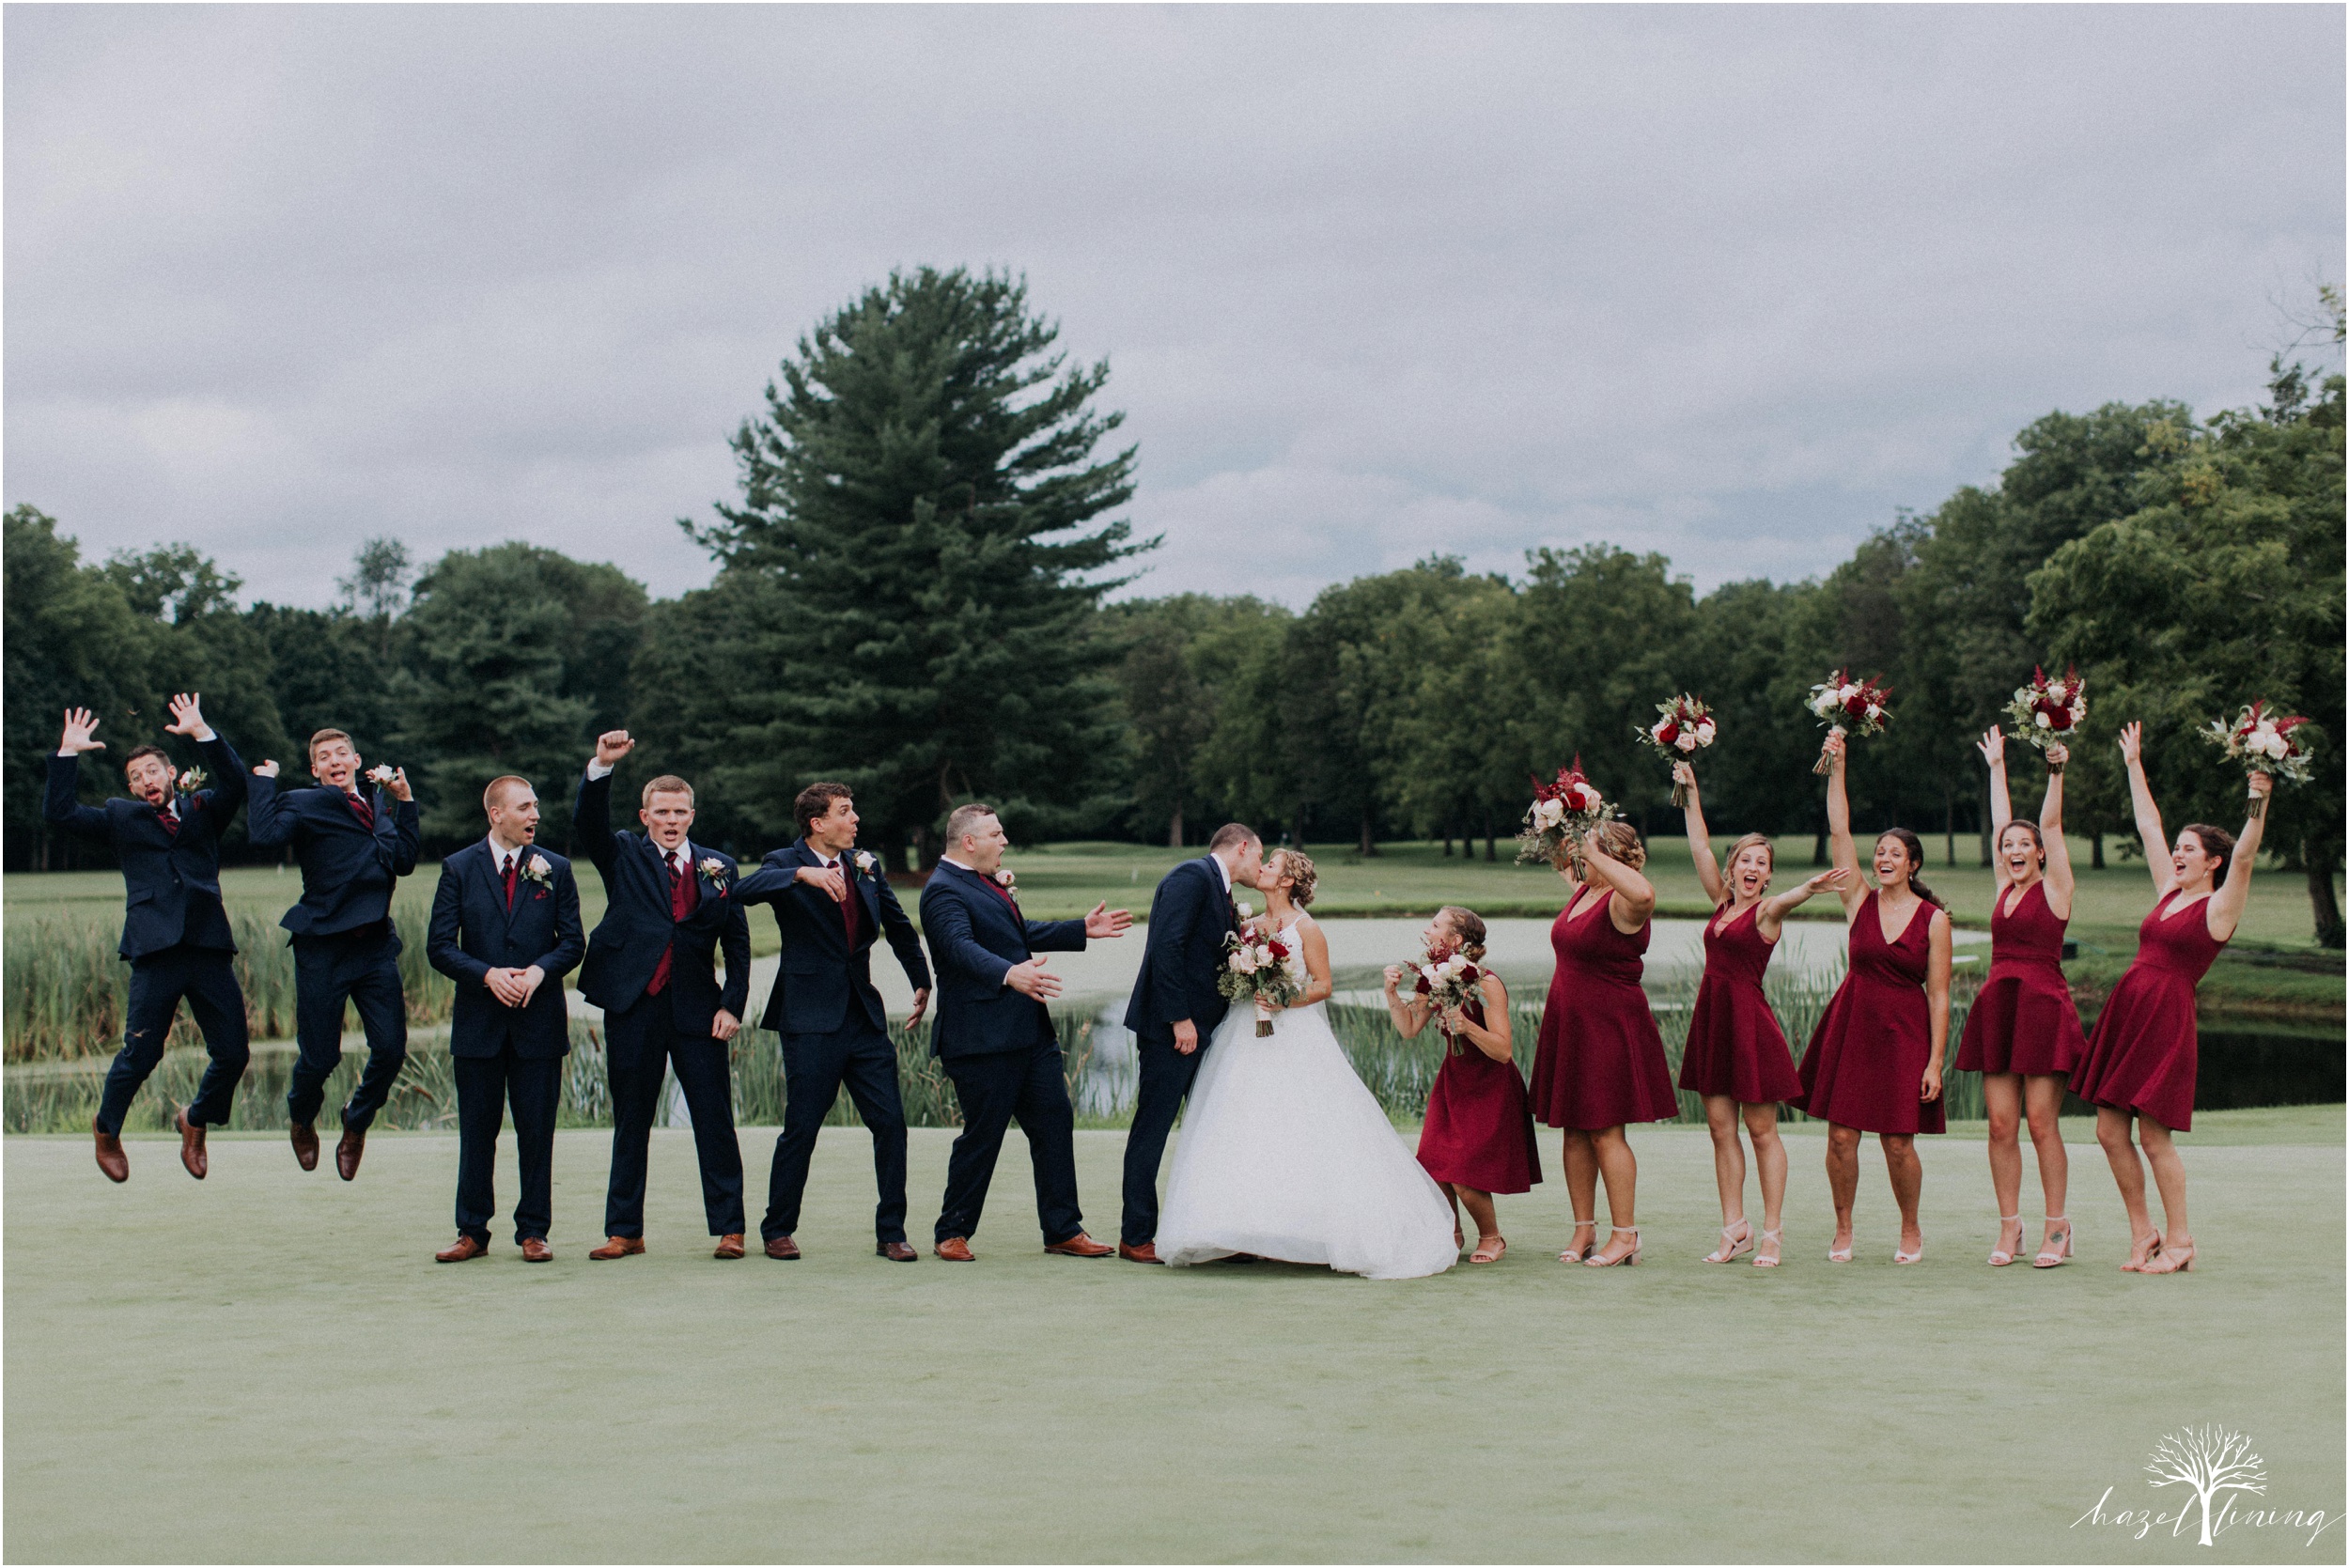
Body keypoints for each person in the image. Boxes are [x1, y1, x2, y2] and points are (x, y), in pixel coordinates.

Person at [1158, 851, 1458, 1280]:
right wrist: (1248, 984)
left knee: (1301, 1125)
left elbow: (1323, 985)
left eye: (1270, 866)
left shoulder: (1307, 929)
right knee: (1244, 1125)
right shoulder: (1246, 928)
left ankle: (1306, 1231)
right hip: (1244, 1035)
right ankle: (1244, 1230)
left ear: (1285, 882)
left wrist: (1283, 999)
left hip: (1294, 1035)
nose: (1261, 869)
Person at [2069, 722, 2271, 1276]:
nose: (2177, 855)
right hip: (2129, 1009)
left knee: (2154, 1137)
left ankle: (2181, 1241)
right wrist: (2134, 764)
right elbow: (2147, 823)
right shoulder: (2167, 892)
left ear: (2212, 862)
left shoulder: (2219, 909)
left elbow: (2247, 857)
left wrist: (2258, 798)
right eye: (2177, 849)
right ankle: (2144, 1234)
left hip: (2166, 1018)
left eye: (2189, 850)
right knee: (2109, 1130)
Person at [45, 696, 251, 1182]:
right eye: (135, 777)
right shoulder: (121, 818)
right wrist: (67, 755)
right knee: (142, 1050)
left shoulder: (202, 809)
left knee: (234, 1053)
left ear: (171, 772)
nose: (144, 782)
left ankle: (195, 1120)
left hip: (206, 947)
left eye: (151, 771)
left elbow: (237, 783)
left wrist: (203, 731)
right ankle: (106, 1128)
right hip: (154, 950)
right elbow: (60, 814)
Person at [734, 783, 933, 1263]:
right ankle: (777, 1228)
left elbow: (898, 924)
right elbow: (742, 890)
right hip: (807, 1018)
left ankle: (892, 1233)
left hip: (863, 1018)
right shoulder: (783, 861)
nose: (856, 819)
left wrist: (921, 980)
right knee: (801, 1127)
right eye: (845, 812)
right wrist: (801, 874)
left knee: (891, 1125)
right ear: (817, 823)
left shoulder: (865, 865)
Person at [923, 803, 1130, 1261]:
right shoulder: (941, 891)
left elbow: (1014, 932)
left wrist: (1081, 929)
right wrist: (1009, 974)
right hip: (980, 1038)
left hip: (1029, 1034)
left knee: (1055, 1123)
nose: (1005, 841)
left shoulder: (984, 884)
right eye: (996, 834)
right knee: (984, 1134)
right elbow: (959, 947)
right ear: (969, 842)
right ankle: (951, 1231)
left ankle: (1062, 1229)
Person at [573, 732, 753, 1260]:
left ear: (692, 815)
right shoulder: (624, 852)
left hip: (700, 1008)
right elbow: (588, 824)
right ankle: (624, 1230)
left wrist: (733, 1004)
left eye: (680, 811)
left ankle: (730, 1228)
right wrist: (601, 767)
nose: (671, 820)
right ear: (645, 815)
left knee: (713, 1117)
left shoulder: (719, 867)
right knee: (632, 1118)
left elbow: (738, 945)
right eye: (661, 812)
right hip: (635, 1004)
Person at [1672, 761, 1849, 1267]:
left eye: (1762, 863)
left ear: (1768, 875)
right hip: (1713, 1024)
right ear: (1733, 869)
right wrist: (1692, 792)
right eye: (1745, 861)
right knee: (1719, 1130)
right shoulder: (1721, 901)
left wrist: (1808, 889)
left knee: (1762, 1132)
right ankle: (1735, 1228)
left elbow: (1788, 901)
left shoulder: (1766, 911)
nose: (1752, 869)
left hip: (1750, 1027)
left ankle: (1772, 1232)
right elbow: (1700, 847)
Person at [1794, 732, 1953, 1265]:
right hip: (1853, 1025)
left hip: (1904, 1031)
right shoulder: (1857, 898)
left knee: (1898, 1142)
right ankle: (1843, 1228)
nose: (1883, 858)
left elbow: (1940, 995)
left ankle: (1911, 1229)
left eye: (1894, 854)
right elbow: (1840, 826)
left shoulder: (1935, 921)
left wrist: (1935, 1061)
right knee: (1841, 1137)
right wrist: (1839, 764)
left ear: (1913, 865)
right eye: (1879, 852)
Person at [247, 727, 421, 1180]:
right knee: (320, 1058)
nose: (334, 760)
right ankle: (302, 1118)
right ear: (315, 770)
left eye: (341, 753)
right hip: (323, 947)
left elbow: (402, 861)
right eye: (324, 757)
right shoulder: (305, 804)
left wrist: (405, 803)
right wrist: (264, 780)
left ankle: (356, 1120)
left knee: (391, 1049)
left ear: (357, 760)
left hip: (374, 948)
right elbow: (264, 833)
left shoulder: (376, 801)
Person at [424, 776, 584, 1263]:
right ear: (496, 814)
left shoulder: (555, 868)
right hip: (479, 1024)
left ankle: (534, 1231)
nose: (534, 815)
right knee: (477, 1133)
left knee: (537, 1132)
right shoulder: (458, 868)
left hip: (539, 1022)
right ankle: (471, 1231)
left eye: (535, 806)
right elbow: (439, 947)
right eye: (524, 807)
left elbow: (573, 942)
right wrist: (488, 975)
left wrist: (537, 972)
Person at [1958, 730, 2085, 1269]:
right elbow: (1999, 822)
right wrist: (1996, 767)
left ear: (2039, 854)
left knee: (2040, 1123)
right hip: (1999, 1008)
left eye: (2022, 845)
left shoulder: (2055, 890)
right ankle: (2010, 1227)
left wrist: (2056, 770)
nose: (2012, 851)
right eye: (2007, 846)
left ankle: (2058, 1228)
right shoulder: (2002, 888)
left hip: (2043, 1009)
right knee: (2000, 1125)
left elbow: (2050, 823)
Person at [1528, 819, 1678, 1268]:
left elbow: (1646, 895)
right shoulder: (1585, 888)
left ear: (1608, 855)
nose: (1578, 857)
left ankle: (1625, 1234)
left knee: (1605, 1129)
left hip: (1608, 1023)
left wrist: (1595, 854)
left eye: (1590, 851)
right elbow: (1557, 854)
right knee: (1574, 1127)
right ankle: (1583, 1229)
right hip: (1569, 1021)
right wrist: (1554, 814)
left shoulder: (1624, 902)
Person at [1117, 821, 1264, 1263]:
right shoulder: (1191, 877)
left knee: (1210, 1129)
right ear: (1242, 848)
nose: (1260, 864)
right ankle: (1136, 1235)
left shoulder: (1220, 891)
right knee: (1153, 1130)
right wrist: (1180, 1018)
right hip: (1172, 1032)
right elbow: (1166, 948)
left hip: (1203, 1032)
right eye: (1259, 855)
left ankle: (1214, 1231)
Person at [1384, 905, 1539, 1265]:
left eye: (1435, 925)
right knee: (1434, 1166)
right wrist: (1392, 993)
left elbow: (1503, 1051)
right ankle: (1450, 1234)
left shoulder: (1486, 982)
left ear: (1455, 939)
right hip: (1453, 1079)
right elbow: (1409, 1029)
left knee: (1465, 1177)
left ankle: (1492, 1237)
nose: (1427, 930)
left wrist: (1467, 1026)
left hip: (1490, 1083)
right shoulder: (1431, 977)